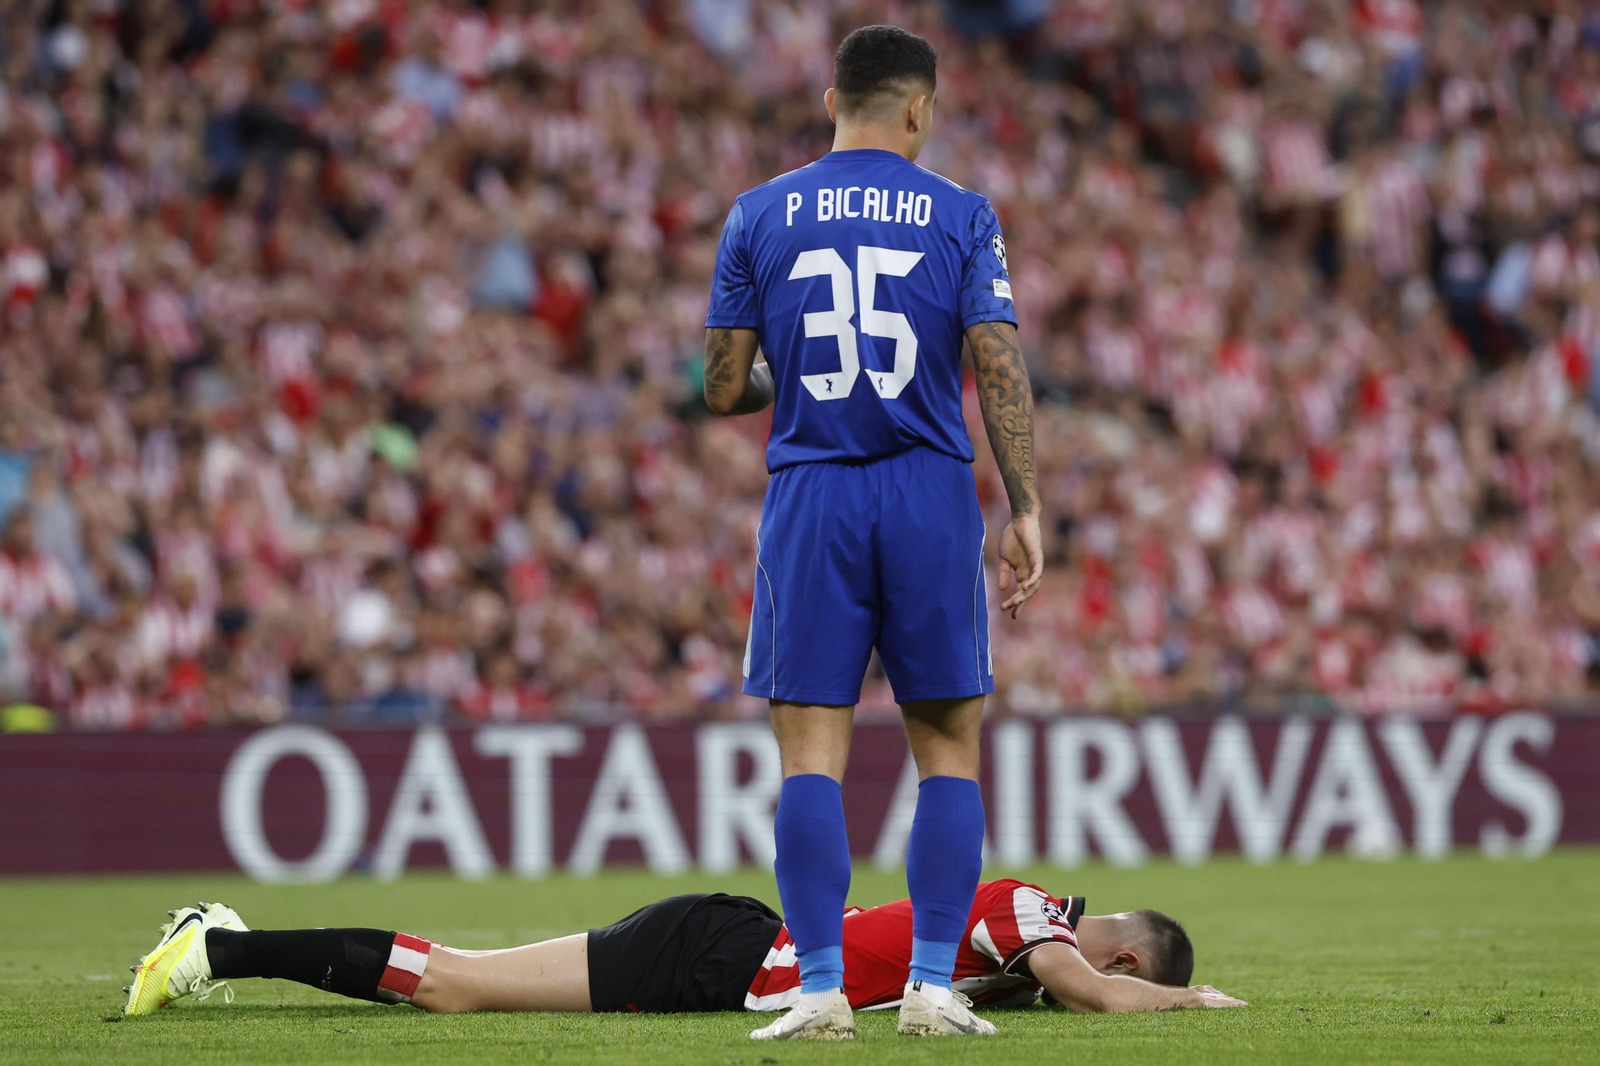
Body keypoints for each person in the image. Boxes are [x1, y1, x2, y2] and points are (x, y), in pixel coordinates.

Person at [701, 24, 1043, 1041]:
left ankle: (818, 990)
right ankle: (933, 987)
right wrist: (1024, 504)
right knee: (946, 750)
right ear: (917, 109)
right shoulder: (962, 214)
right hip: (929, 491)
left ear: (828, 99)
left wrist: (783, 376)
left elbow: (722, 386)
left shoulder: (757, 212)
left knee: (810, 753)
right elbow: (995, 359)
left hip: (812, 492)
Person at [121, 882, 1246, 1023]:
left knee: (457, 984)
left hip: (728, 946)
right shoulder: (1038, 923)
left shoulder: (1019, 922)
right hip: (721, 956)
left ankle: (225, 940)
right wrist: (1196, 1004)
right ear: (1131, 959)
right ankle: (219, 948)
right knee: (455, 983)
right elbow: (1090, 999)